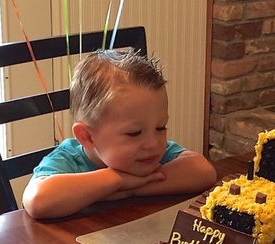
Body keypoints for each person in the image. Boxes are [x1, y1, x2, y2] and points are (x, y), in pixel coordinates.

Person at [22, 49, 217, 219]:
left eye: (160, 128)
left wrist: (132, 189)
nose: (153, 143)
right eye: (134, 133)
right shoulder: (69, 158)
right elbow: (38, 201)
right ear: (87, 136)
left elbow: (203, 172)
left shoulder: (146, 155)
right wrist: (118, 180)